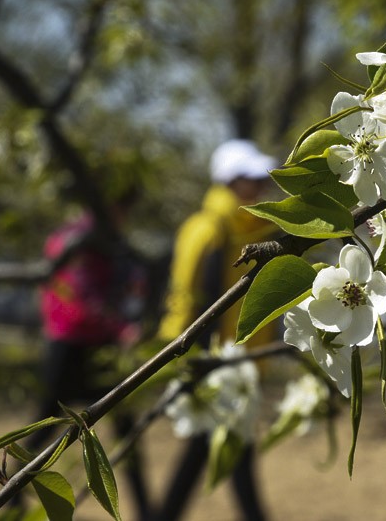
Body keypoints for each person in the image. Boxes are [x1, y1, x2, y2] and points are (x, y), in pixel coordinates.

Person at [155, 139, 278, 521]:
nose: (258, 185)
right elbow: (186, 295)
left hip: (243, 360)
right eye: (249, 178)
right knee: (235, 455)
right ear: (228, 181)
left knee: (202, 454)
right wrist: (193, 357)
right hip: (213, 361)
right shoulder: (207, 228)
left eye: (260, 177)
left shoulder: (266, 228)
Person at [30, 186, 150, 518]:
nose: (122, 215)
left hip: (105, 348)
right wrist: (121, 327)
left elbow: (133, 283)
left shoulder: (116, 243)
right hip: (70, 345)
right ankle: (11, 492)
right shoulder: (73, 240)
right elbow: (74, 294)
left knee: (128, 434)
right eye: (119, 207)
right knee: (43, 429)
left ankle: (147, 510)